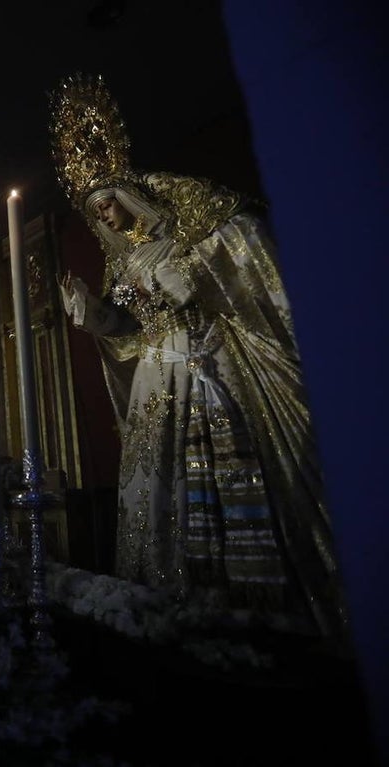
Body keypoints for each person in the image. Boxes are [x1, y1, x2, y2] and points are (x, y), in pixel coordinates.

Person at [51, 74, 348, 639]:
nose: (105, 219)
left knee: (221, 463)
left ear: (129, 192)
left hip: (205, 360)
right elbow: (131, 329)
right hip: (155, 373)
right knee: (160, 485)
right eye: (95, 213)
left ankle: (257, 600)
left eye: (108, 204)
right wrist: (93, 315)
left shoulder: (182, 220)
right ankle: (173, 598)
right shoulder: (119, 263)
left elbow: (238, 250)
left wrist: (189, 276)